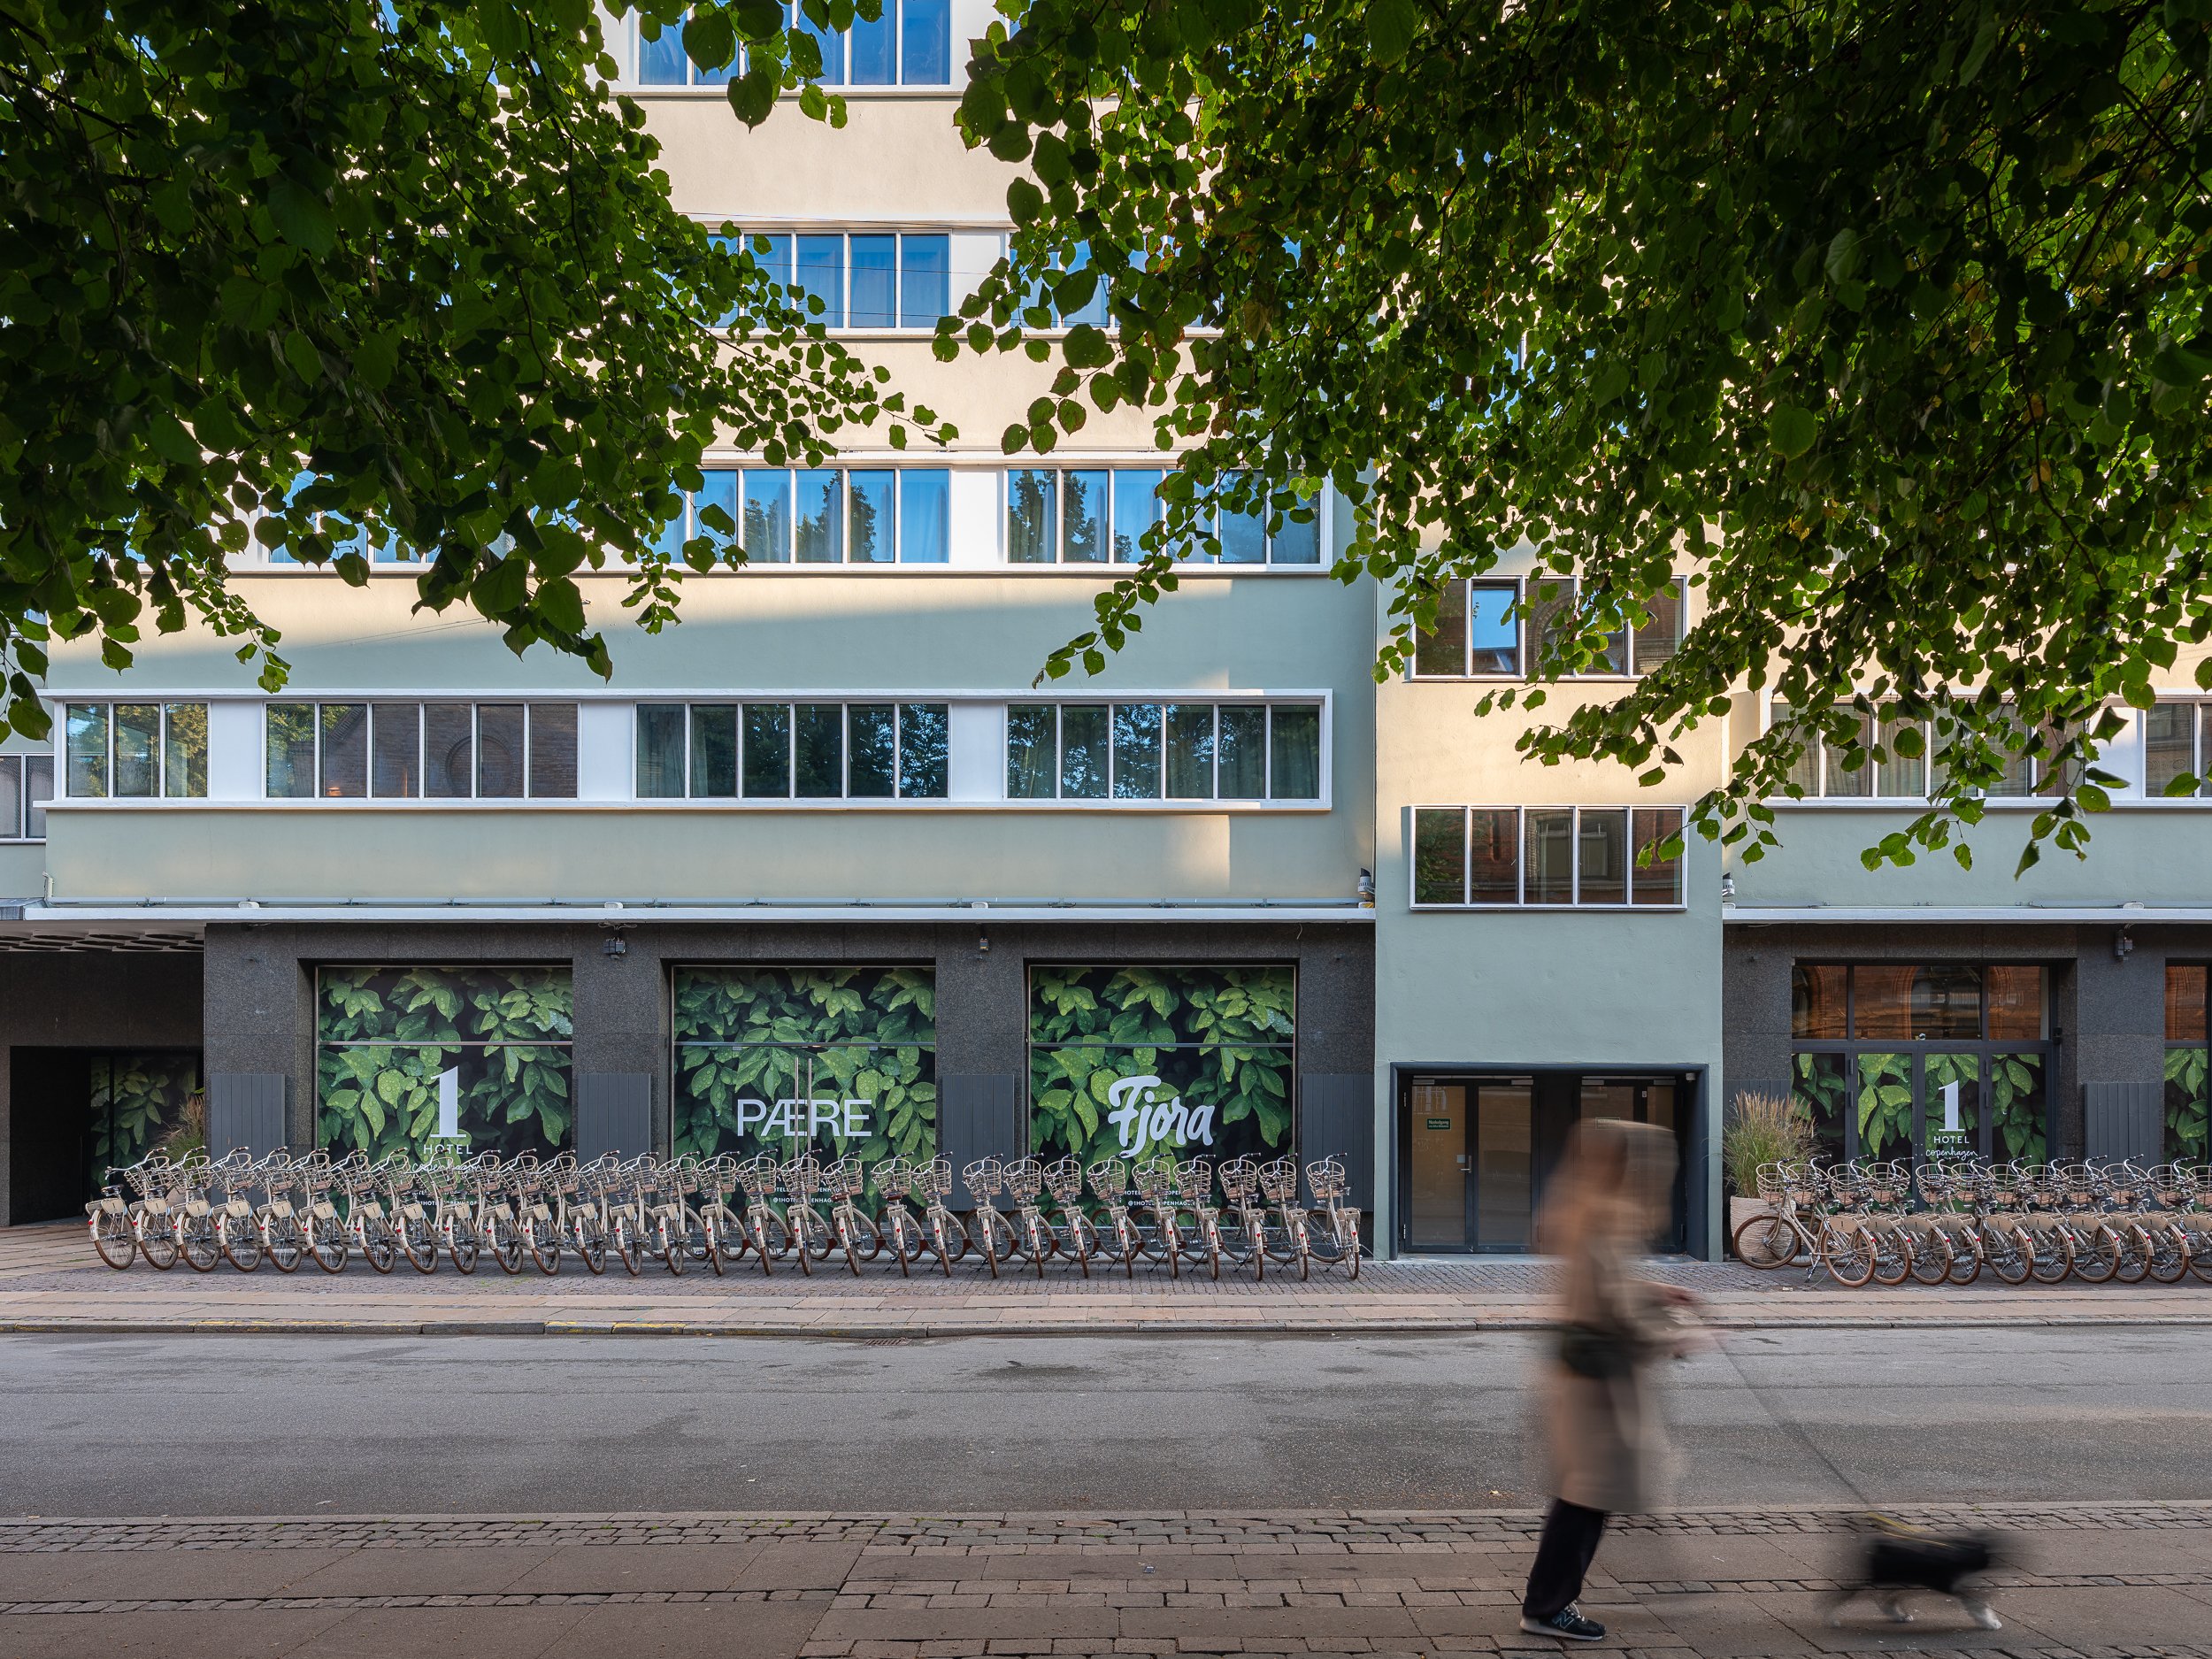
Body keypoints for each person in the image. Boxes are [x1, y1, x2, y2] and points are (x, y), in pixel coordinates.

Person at [1520, 1118, 1702, 1643]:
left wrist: (1661, 1289)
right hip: (1598, 1385)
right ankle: (1548, 1606)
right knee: (1586, 1496)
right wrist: (1677, 1339)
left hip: (1580, 1378)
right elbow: (1615, 1309)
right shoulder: (1608, 1214)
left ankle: (1550, 1600)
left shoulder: (1579, 1204)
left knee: (1583, 1494)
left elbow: (1604, 1281)